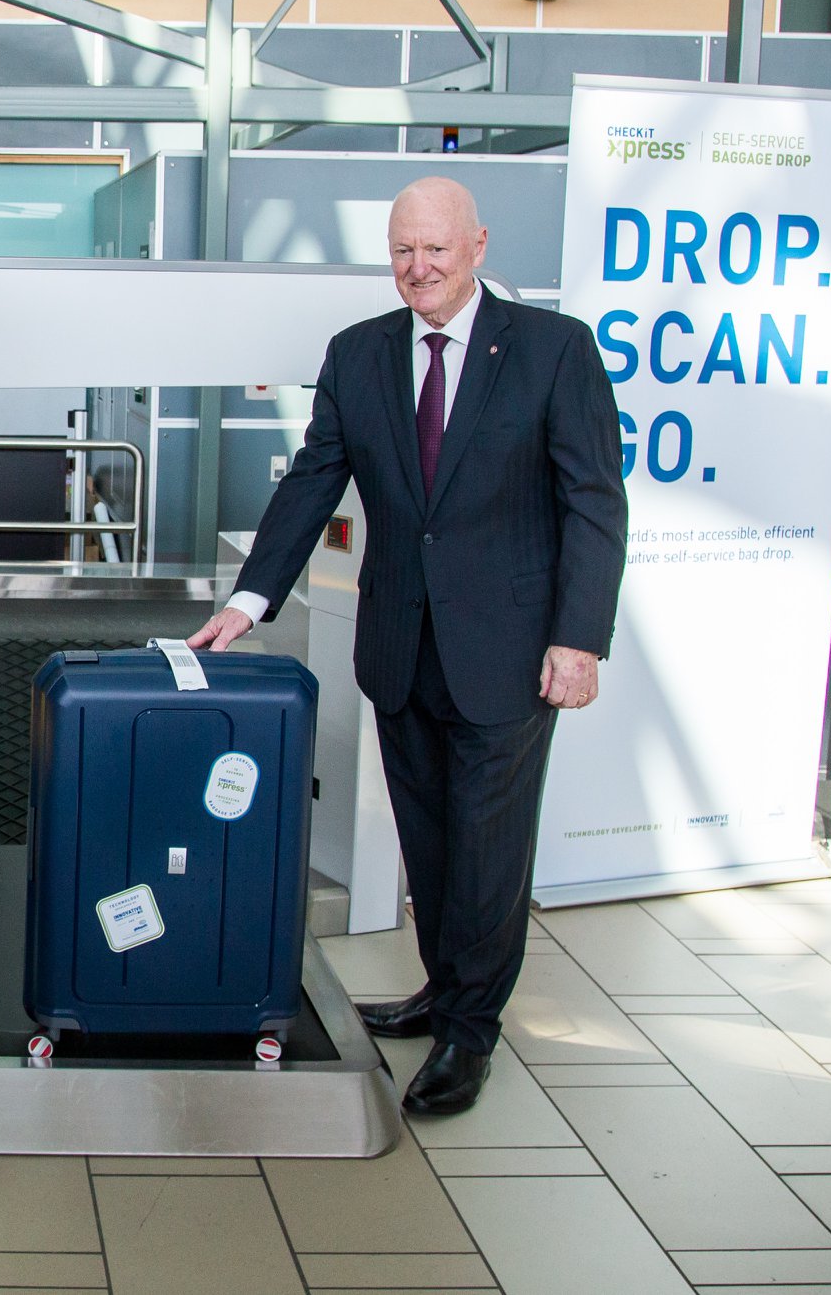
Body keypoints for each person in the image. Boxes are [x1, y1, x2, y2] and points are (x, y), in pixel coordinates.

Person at [188, 177, 627, 1115]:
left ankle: (472, 1031)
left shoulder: (554, 351)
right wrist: (252, 599)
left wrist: (578, 640)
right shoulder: (360, 355)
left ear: (476, 245)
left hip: (511, 652)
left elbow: (594, 502)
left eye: (433, 249)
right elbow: (315, 479)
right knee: (429, 837)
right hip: (400, 645)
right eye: (401, 251)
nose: (416, 268)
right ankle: (444, 986)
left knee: (488, 849)